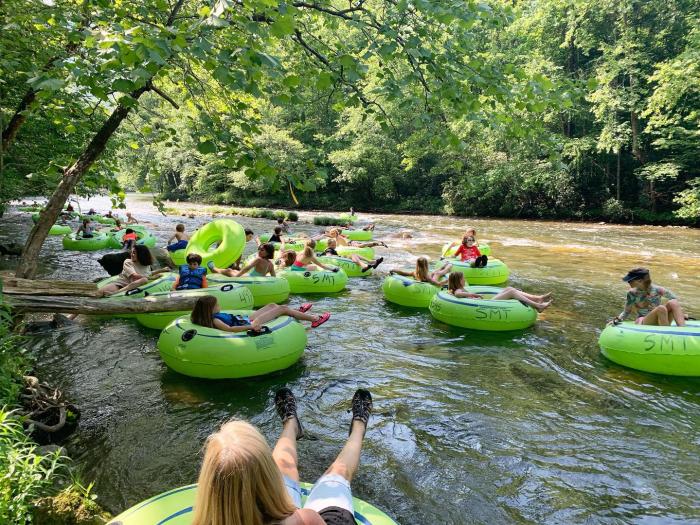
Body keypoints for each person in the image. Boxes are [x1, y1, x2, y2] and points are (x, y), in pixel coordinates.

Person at [191, 386, 372, 525]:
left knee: (282, 466)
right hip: (307, 520)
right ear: (268, 478)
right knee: (338, 474)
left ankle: (291, 424)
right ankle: (358, 427)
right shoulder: (305, 519)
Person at [191, 295, 330, 332]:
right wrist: (251, 326)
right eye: (217, 305)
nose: (219, 306)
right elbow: (230, 329)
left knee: (272, 305)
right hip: (248, 323)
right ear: (209, 309)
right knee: (282, 309)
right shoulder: (215, 320)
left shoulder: (213, 316)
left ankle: (297, 312)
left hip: (242, 319)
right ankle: (314, 319)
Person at [611, 268, 686, 326]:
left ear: (640, 281)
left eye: (630, 280)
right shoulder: (632, 293)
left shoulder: (658, 290)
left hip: (661, 317)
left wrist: (682, 315)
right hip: (644, 320)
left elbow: (674, 300)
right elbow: (627, 311)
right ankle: (665, 334)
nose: (628, 282)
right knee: (661, 308)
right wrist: (618, 319)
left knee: (673, 302)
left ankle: (682, 330)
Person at [447, 272, 552, 312]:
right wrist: (472, 294)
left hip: (485, 302)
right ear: (458, 281)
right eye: (463, 278)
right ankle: (537, 305)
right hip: (485, 305)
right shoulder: (459, 290)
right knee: (511, 292)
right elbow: (458, 294)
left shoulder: (461, 288)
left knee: (509, 289)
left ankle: (537, 298)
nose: (465, 280)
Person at [208, 243, 276, 277]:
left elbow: (247, 268)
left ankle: (213, 268)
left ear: (268, 253)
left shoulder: (258, 259)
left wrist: (237, 276)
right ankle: (216, 269)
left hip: (250, 279)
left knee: (229, 271)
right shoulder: (271, 264)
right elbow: (274, 276)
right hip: (252, 278)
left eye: (262, 250)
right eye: (259, 249)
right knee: (233, 270)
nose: (259, 251)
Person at [323, 228, 387, 249]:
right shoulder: (338, 236)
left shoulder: (337, 238)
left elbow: (344, 245)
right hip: (351, 242)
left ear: (334, 233)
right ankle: (380, 244)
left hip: (350, 243)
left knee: (361, 246)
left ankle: (378, 243)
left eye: (332, 234)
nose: (331, 235)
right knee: (366, 246)